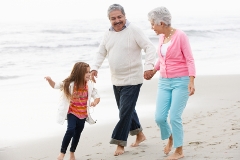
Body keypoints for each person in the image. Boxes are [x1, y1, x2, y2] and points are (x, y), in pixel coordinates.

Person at [90, 4, 156, 156]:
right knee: (127, 109)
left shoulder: (134, 30)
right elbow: (101, 52)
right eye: (113, 18)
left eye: (119, 17)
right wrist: (95, 67)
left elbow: (149, 47)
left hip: (133, 79)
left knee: (124, 112)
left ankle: (120, 142)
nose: (117, 20)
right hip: (116, 80)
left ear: (125, 16)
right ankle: (139, 134)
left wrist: (148, 67)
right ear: (109, 20)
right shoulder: (108, 34)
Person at [147, 6, 196, 160]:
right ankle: (170, 137)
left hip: (180, 81)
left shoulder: (180, 36)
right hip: (164, 82)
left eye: (153, 24)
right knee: (160, 118)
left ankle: (179, 150)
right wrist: (153, 70)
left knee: (174, 116)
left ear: (161, 23)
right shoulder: (162, 37)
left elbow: (189, 59)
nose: (151, 27)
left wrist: (191, 81)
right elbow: (162, 59)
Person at [45, 62, 100, 160]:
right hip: (72, 112)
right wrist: (50, 80)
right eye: (86, 72)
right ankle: (62, 153)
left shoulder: (89, 85)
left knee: (77, 134)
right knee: (70, 130)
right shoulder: (69, 84)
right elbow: (55, 86)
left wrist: (95, 102)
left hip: (83, 114)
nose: (89, 74)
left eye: (89, 72)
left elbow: (97, 96)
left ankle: (72, 152)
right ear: (79, 73)